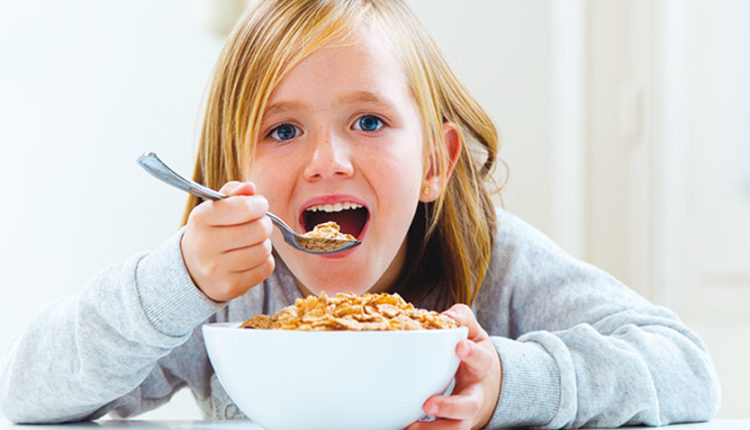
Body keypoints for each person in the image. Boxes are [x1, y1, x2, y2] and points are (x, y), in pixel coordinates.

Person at [0, 0, 720, 428]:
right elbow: (33, 390)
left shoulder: (499, 268)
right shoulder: (224, 300)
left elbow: (686, 368)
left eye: (369, 122)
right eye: (283, 131)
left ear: (435, 163)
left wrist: (510, 380)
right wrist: (176, 279)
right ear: (237, 179)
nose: (328, 161)